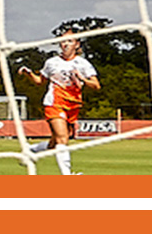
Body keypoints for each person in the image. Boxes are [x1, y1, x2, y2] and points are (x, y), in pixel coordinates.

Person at [18, 33, 100, 176]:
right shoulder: (52, 62)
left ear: (77, 44)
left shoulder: (83, 64)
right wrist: (29, 73)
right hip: (54, 102)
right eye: (63, 41)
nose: (65, 44)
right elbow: (40, 81)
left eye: (70, 41)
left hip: (73, 104)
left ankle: (32, 150)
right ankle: (66, 175)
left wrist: (82, 79)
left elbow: (96, 85)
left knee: (56, 142)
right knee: (62, 139)